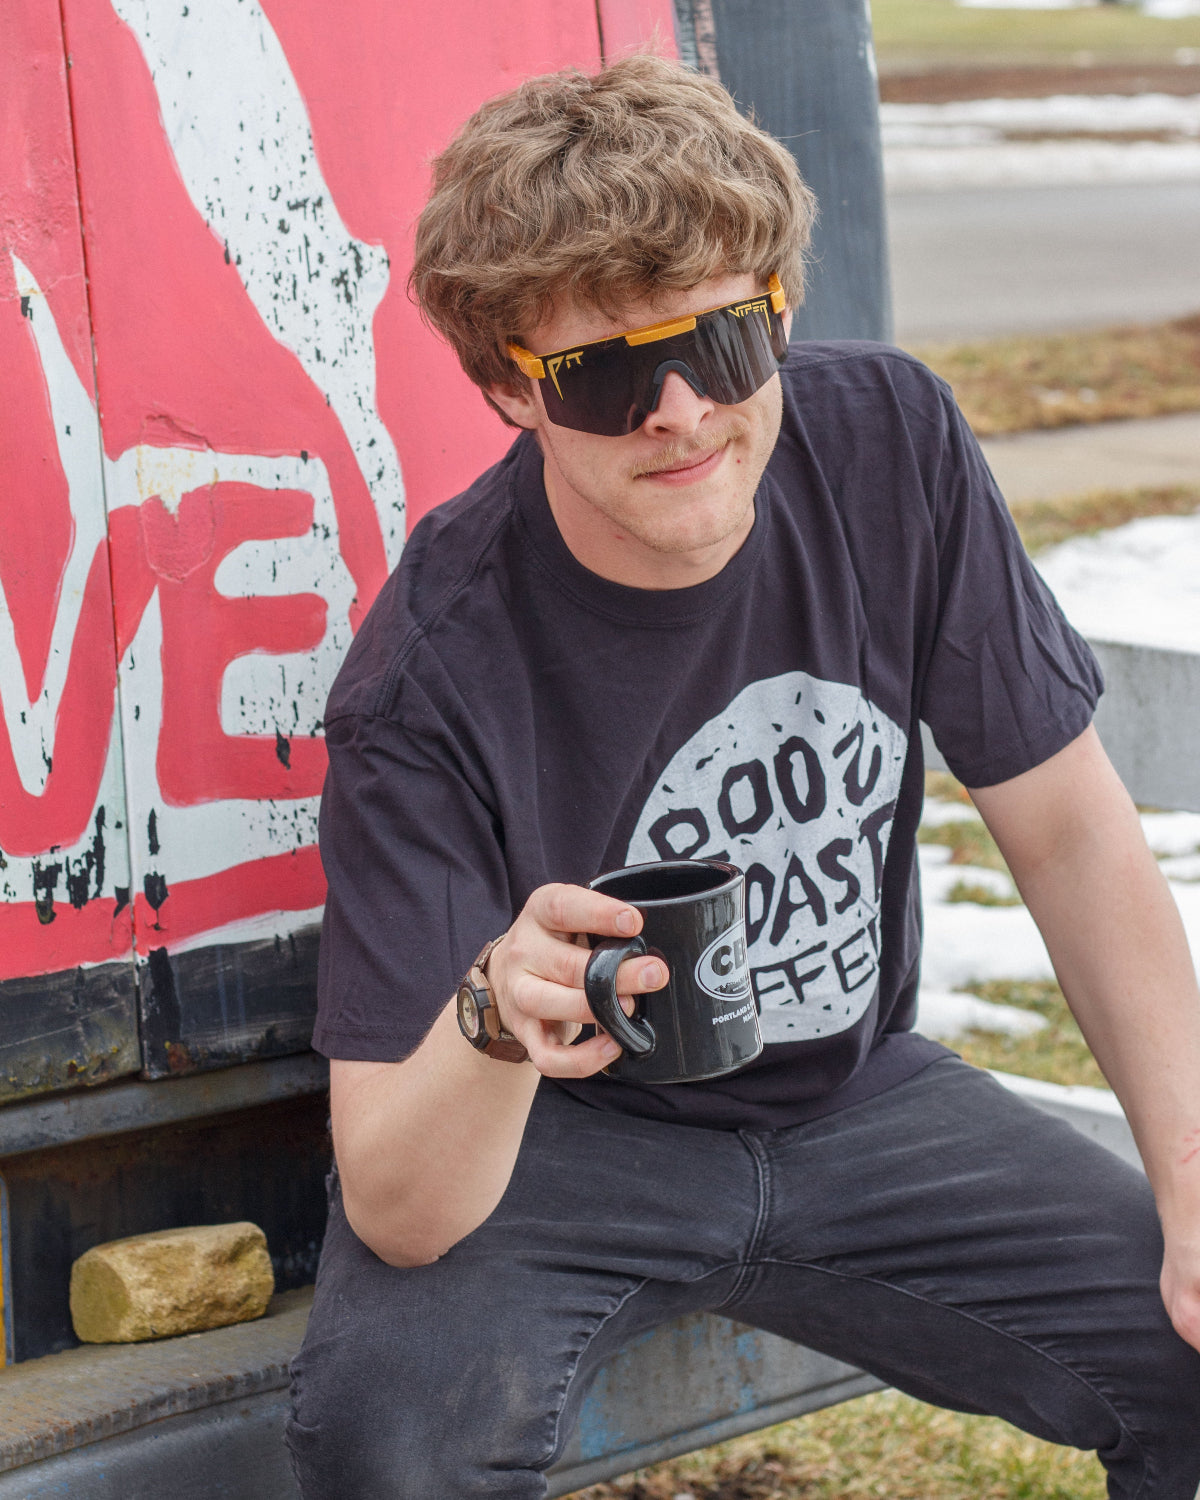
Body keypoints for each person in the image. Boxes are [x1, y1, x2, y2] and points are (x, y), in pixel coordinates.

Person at [286, 52, 1200, 1499]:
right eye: (600, 373)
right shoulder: (428, 673)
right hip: (564, 1156)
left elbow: (1073, 836)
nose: (680, 414)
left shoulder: (890, 443)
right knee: (385, 1436)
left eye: (719, 343)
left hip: (857, 1101)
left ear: (778, 312)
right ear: (504, 388)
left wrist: (1196, 1172)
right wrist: (496, 1018)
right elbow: (400, 1207)